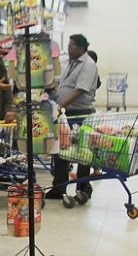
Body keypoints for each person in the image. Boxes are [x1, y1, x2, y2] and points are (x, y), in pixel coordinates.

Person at [45, 34, 99, 200]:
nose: (68, 49)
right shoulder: (72, 62)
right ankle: (58, 188)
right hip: (68, 114)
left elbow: (79, 90)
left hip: (81, 114)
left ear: (81, 47)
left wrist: (61, 106)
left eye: (71, 46)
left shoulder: (88, 65)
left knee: (83, 153)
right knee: (63, 151)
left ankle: (84, 188)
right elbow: (63, 82)